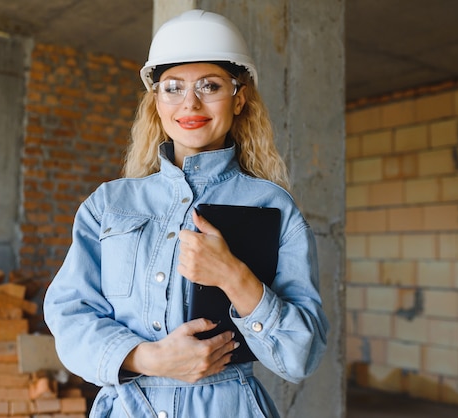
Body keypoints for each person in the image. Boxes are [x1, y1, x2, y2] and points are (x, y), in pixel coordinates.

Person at [44, 9, 329, 418]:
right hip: (128, 406)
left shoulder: (273, 207)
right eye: (173, 87)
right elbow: (69, 314)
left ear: (239, 97)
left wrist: (234, 275)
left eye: (209, 86)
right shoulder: (109, 204)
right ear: (156, 101)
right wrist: (149, 359)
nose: (190, 102)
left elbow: (302, 355)